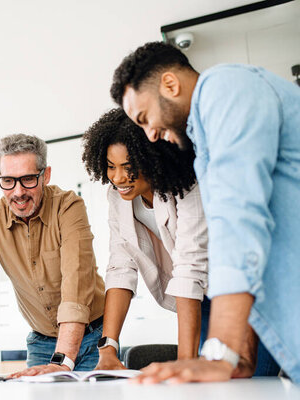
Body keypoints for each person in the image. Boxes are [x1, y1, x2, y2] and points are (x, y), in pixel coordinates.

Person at [110, 41, 300, 383]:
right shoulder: (205, 147)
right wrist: (241, 352)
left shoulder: (224, 89)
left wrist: (220, 351)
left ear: (170, 84)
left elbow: (238, 218)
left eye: (144, 118)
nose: (149, 134)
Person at [0, 134, 106, 377]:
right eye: (8, 181)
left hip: (93, 337)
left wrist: (62, 362)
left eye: (27, 179)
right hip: (41, 341)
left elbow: (76, 281)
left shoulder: (68, 206)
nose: (18, 192)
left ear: (45, 175)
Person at [81, 107, 208, 369]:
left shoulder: (187, 184)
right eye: (110, 167)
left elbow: (189, 268)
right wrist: (108, 349)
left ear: (152, 158)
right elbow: (120, 266)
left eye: (129, 167)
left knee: (250, 382)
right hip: (201, 303)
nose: (118, 178)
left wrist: (184, 364)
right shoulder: (117, 196)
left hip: (238, 293)